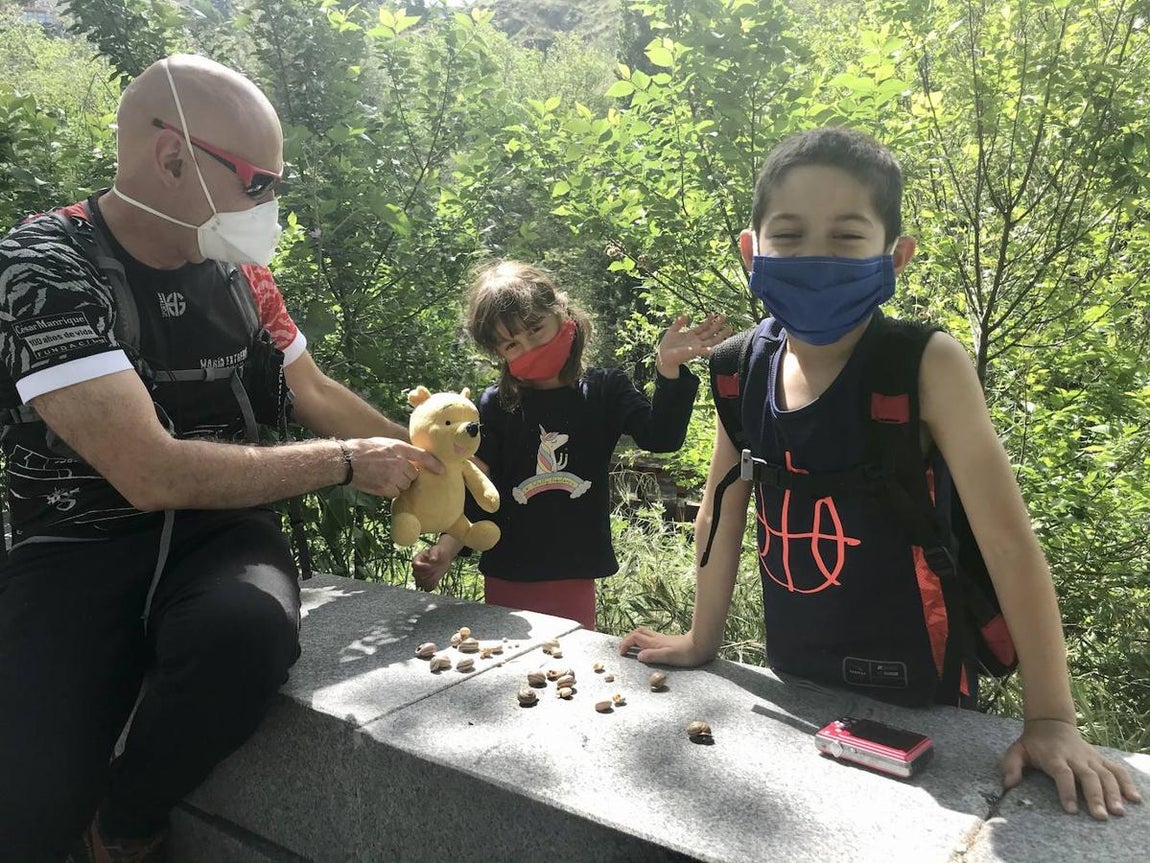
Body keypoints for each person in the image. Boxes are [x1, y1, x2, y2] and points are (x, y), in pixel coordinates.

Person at [619, 128, 1140, 821]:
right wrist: (701, 637)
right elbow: (722, 507)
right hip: (797, 680)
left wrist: (1051, 720)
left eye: (846, 236)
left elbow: (1011, 544)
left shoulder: (923, 365)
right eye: (791, 234)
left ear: (894, 258)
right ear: (753, 251)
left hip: (921, 691)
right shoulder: (737, 368)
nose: (815, 256)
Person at [0, 54, 443, 863]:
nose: (268, 206)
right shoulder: (45, 267)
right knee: (25, 809)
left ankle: (127, 824)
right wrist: (345, 461)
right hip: (77, 544)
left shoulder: (241, 276)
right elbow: (150, 471)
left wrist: (428, 468)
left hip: (223, 537)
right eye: (257, 182)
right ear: (172, 159)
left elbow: (312, 388)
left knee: (247, 635)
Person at [411, 260, 728, 629]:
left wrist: (669, 370)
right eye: (513, 343)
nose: (531, 346)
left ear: (561, 313)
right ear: (499, 354)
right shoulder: (494, 405)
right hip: (506, 568)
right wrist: (447, 548)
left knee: (570, 670)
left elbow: (662, 437)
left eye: (535, 329)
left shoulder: (605, 389)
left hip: (574, 569)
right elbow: (479, 490)